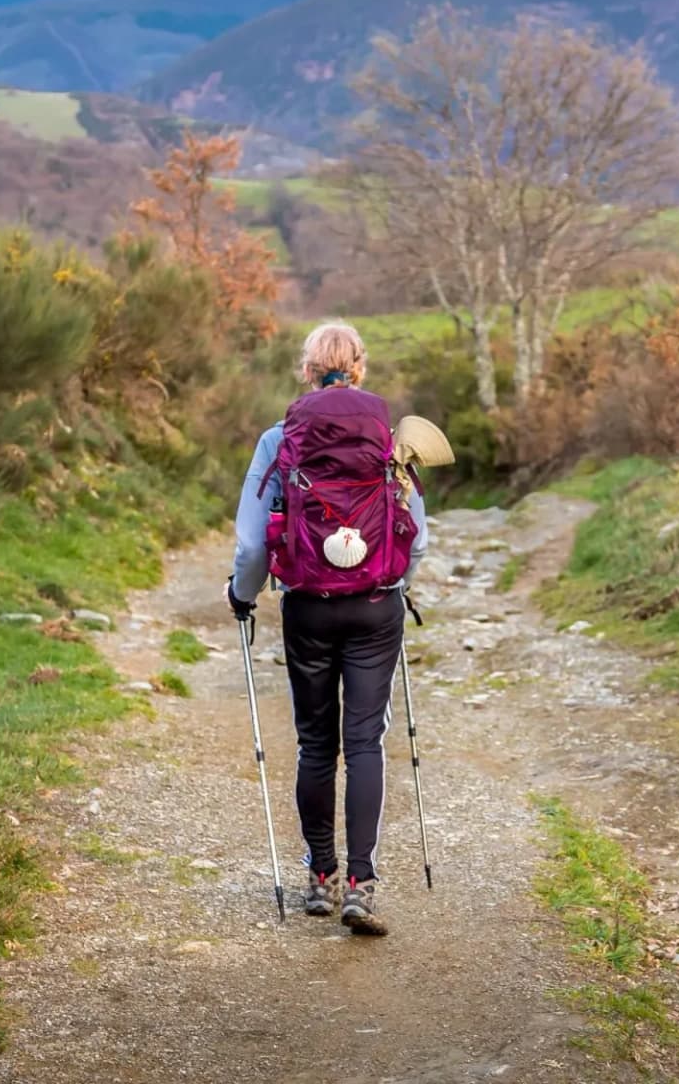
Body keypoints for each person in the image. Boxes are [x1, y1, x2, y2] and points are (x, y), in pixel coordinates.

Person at [226, 321, 427, 936]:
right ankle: (361, 887)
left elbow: (255, 542)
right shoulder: (391, 440)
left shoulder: (278, 438)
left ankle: (320, 877)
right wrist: (395, 578)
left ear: (306, 370)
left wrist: (242, 595)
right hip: (375, 606)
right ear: (359, 368)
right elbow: (416, 533)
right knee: (365, 742)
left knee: (317, 744)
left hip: (307, 605)